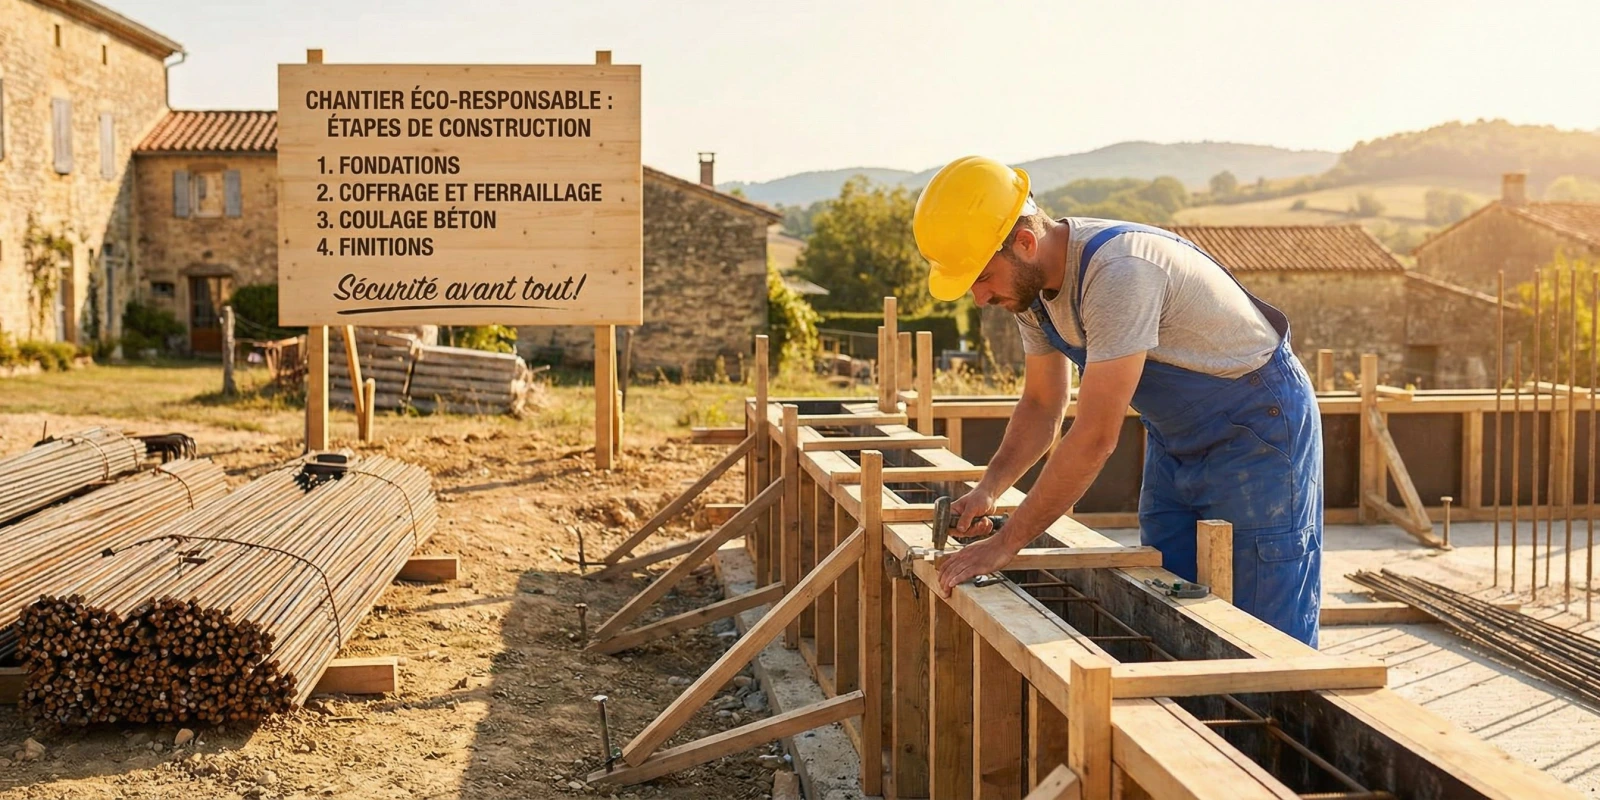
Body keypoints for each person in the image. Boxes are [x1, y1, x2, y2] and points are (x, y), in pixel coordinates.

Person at [913, 156, 1323, 646]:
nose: (980, 298)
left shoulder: (1120, 273)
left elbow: (1094, 437)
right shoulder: (1031, 292)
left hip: (1258, 429)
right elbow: (1043, 407)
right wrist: (990, 488)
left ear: (1024, 242)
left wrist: (1006, 544)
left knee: (1262, 624)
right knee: (1170, 599)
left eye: (981, 277)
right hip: (1175, 437)